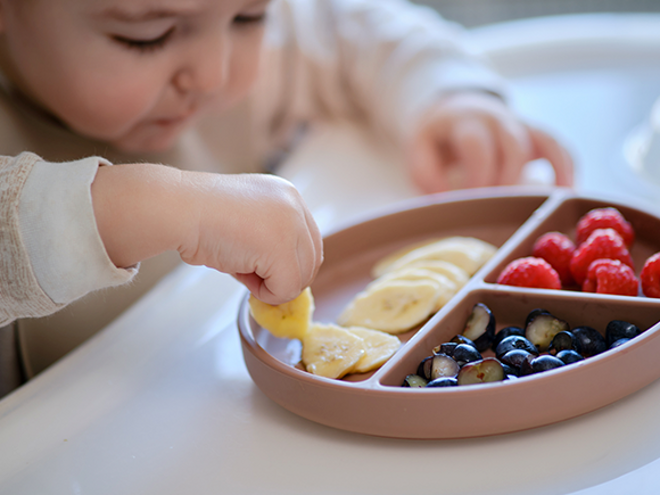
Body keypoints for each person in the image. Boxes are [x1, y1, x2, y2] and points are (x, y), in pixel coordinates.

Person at [0, 0, 572, 391]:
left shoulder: (221, 39)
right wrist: (148, 205)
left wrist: (445, 93)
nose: (214, 72)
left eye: (251, 16)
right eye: (145, 36)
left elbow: (345, 25)